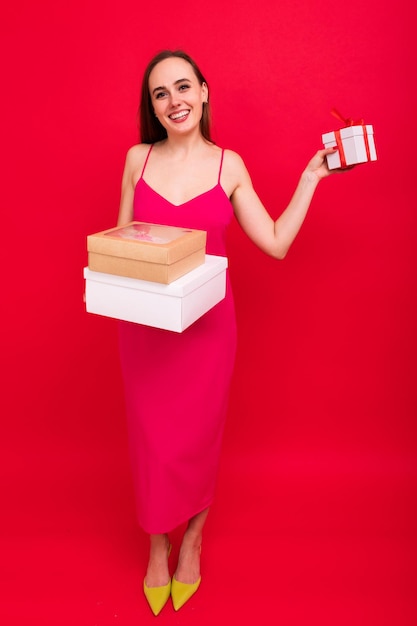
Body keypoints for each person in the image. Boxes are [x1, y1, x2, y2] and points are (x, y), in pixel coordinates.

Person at [117, 49, 340, 616]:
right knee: (152, 442)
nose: (175, 101)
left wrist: (310, 178)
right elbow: (122, 242)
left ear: (205, 92)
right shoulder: (136, 159)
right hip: (147, 329)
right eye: (161, 94)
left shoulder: (229, 166)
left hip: (209, 332)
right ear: (153, 107)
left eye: (184, 87)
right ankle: (157, 543)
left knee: (196, 439)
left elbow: (275, 243)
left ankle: (191, 538)